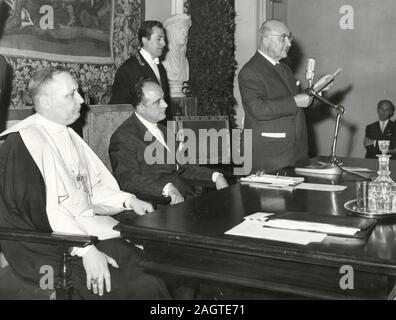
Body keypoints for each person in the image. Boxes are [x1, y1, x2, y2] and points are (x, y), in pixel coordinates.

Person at [0, 66, 170, 300]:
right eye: (71, 94)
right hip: (51, 249)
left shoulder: (68, 135)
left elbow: (90, 189)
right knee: (141, 287)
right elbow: (40, 216)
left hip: (83, 234)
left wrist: (129, 200)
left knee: (161, 271)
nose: (81, 100)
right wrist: (87, 250)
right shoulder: (24, 143)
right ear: (46, 102)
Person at [109, 78, 229, 205]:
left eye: (163, 99)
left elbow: (184, 168)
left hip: (187, 199)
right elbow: (128, 180)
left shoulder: (165, 131)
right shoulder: (123, 137)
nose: (165, 105)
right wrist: (165, 189)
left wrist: (215, 176)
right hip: (156, 209)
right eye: (157, 102)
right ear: (141, 108)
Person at [238, 20, 333, 173]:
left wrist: (316, 91)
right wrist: (295, 101)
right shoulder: (250, 71)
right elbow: (258, 109)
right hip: (270, 158)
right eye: (283, 38)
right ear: (266, 39)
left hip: (296, 155)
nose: (289, 43)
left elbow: (299, 103)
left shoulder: (284, 67)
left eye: (290, 38)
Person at [110, 20, 172, 122]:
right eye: (159, 39)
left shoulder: (161, 68)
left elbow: (166, 105)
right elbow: (118, 110)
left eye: (164, 39)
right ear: (144, 40)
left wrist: (170, 132)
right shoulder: (128, 69)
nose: (164, 43)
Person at [163, 14, 192, 87]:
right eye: (180, 30)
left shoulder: (185, 61)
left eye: (186, 30)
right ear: (170, 33)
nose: (185, 34)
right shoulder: (163, 60)